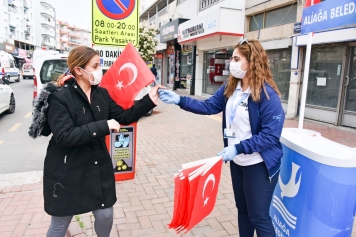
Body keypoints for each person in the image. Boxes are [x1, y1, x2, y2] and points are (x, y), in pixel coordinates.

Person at [29, 46, 161, 237]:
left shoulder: (102, 94)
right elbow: (64, 136)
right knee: (60, 223)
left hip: (96, 166)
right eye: (95, 66)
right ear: (78, 70)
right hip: (66, 170)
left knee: (105, 214)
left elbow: (124, 116)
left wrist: (149, 99)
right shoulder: (60, 97)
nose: (100, 70)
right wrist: (103, 126)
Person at [159, 39, 285, 237]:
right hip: (237, 161)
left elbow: (270, 136)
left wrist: (238, 148)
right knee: (243, 210)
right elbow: (208, 106)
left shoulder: (267, 95)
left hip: (258, 163)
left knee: (259, 216)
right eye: (231, 58)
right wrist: (180, 100)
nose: (231, 63)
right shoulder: (231, 87)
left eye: (236, 59)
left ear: (251, 62)